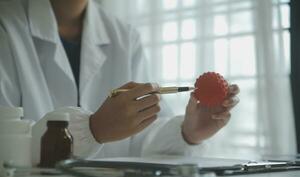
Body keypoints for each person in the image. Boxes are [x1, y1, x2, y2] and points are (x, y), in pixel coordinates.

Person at [0, 0, 240, 160]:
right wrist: (93, 129)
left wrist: (188, 133)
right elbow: (6, 147)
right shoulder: (6, 26)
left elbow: (141, 138)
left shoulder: (124, 37)